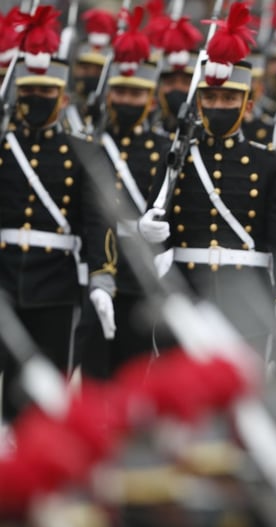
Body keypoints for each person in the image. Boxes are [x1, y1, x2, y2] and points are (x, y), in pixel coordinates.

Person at [138, 3, 276, 362]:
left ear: (247, 103)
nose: (218, 104)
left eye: (229, 98)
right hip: (188, 296)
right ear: (197, 102)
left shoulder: (269, 162)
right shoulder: (175, 154)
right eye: (210, 97)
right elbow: (154, 217)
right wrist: (147, 227)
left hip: (247, 300)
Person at [0, 19, 115, 422]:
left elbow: (96, 221)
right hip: (3, 278)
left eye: (45, 91)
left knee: (45, 390)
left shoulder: (83, 151)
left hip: (55, 283)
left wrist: (102, 277)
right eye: (28, 90)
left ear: (63, 98)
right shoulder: (4, 142)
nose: (35, 98)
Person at [75, 19, 167, 380]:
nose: (127, 100)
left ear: (149, 98)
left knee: (136, 373)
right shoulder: (91, 148)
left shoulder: (163, 150)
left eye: (136, 94)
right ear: (109, 94)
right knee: (94, 373)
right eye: (121, 92)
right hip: (98, 272)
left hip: (143, 277)